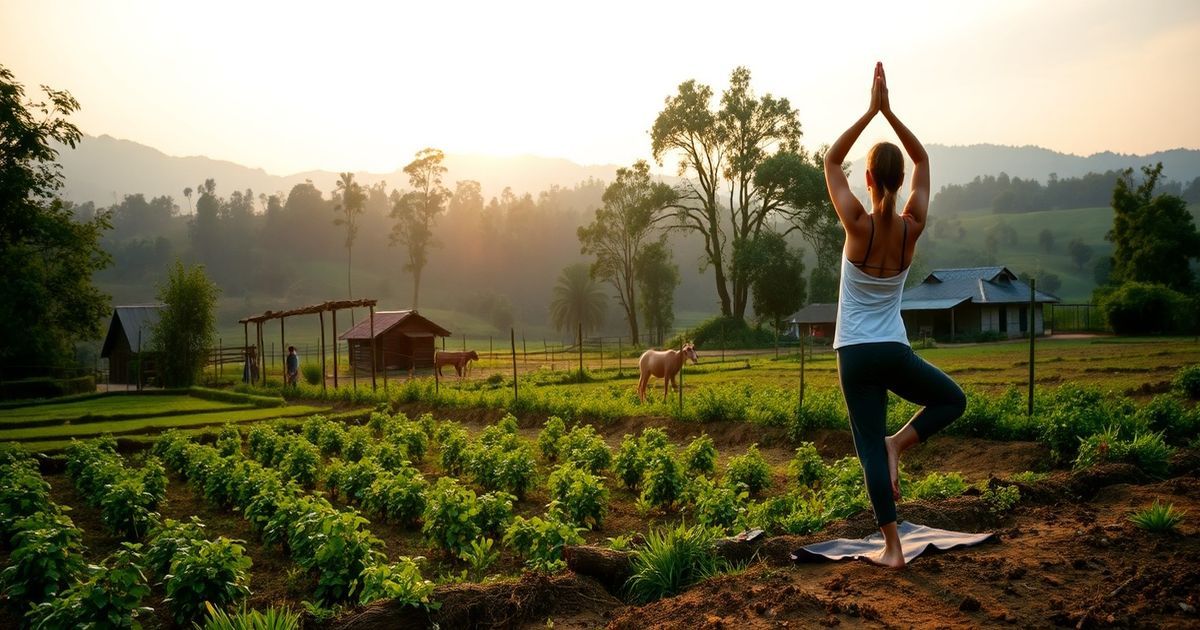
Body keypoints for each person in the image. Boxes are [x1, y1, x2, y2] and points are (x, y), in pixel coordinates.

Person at [823, 62, 966, 569]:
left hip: (855, 355)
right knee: (952, 400)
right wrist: (892, 112)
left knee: (867, 449)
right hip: (894, 350)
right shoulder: (912, 228)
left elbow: (829, 160)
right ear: (902, 180)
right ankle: (898, 444)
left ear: (867, 179)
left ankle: (891, 549)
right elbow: (923, 156)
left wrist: (870, 111)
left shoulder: (857, 225)